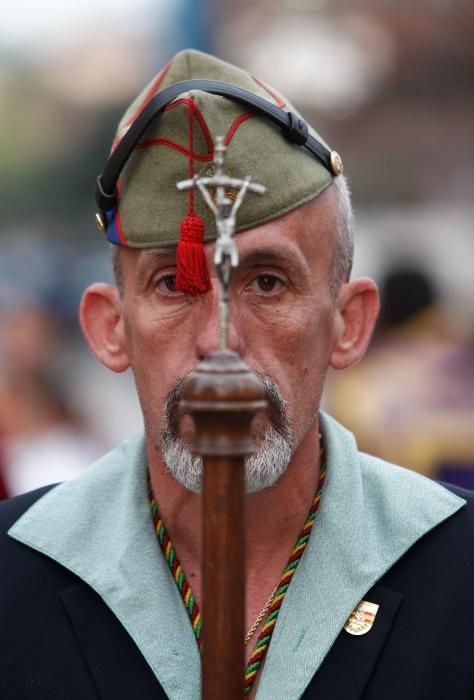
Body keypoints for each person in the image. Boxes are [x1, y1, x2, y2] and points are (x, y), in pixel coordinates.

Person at [1, 49, 473, 700]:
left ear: (350, 324)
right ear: (110, 329)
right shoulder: (12, 576)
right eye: (174, 284)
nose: (219, 340)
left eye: (268, 283)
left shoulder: (459, 570)